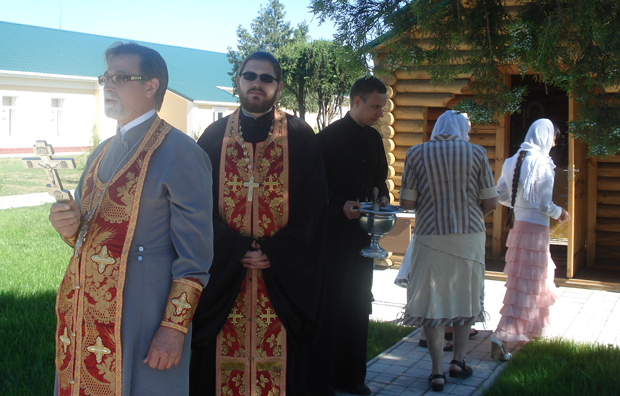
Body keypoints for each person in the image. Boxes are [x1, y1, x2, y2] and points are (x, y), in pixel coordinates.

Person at [48, 42, 214, 396]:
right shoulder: (100, 153)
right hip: (85, 313)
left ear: (151, 86)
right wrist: (68, 226)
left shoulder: (181, 153)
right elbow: (87, 234)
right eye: (105, 78)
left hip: (143, 316)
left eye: (120, 78)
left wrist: (174, 329)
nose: (108, 85)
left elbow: (196, 256)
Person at [191, 51, 328, 396]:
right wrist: (235, 248)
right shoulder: (214, 136)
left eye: (266, 78)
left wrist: (276, 252)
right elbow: (195, 205)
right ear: (238, 81)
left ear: (278, 87)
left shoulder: (300, 135)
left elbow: (314, 207)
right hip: (226, 276)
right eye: (250, 76)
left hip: (281, 277)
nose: (257, 83)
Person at [399, 110, 498, 392]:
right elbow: (491, 200)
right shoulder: (477, 153)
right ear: (461, 129)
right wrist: (472, 215)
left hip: (431, 236)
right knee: (465, 295)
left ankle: (437, 372)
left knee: (433, 300)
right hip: (470, 236)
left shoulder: (416, 153)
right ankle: (458, 361)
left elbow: (407, 203)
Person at [306, 76, 389, 396]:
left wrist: (381, 198)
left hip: (362, 239)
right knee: (332, 306)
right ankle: (323, 381)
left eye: (382, 107)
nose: (380, 113)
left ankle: (352, 376)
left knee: (358, 303)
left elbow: (380, 179)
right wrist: (339, 204)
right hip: (332, 240)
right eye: (376, 106)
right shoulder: (328, 138)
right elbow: (311, 188)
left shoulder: (375, 138)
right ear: (357, 101)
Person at [491, 118, 570, 361]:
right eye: (554, 138)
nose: (554, 143)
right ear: (545, 136)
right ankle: (502, 335)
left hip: (518, 228)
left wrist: (519, 204)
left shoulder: (511, 161)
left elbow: (501, 194)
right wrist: (560, 213)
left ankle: (530, 328)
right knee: (531, 283)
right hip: (536, 231)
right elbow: (545, 204)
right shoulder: (543, 163)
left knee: (522, 281)